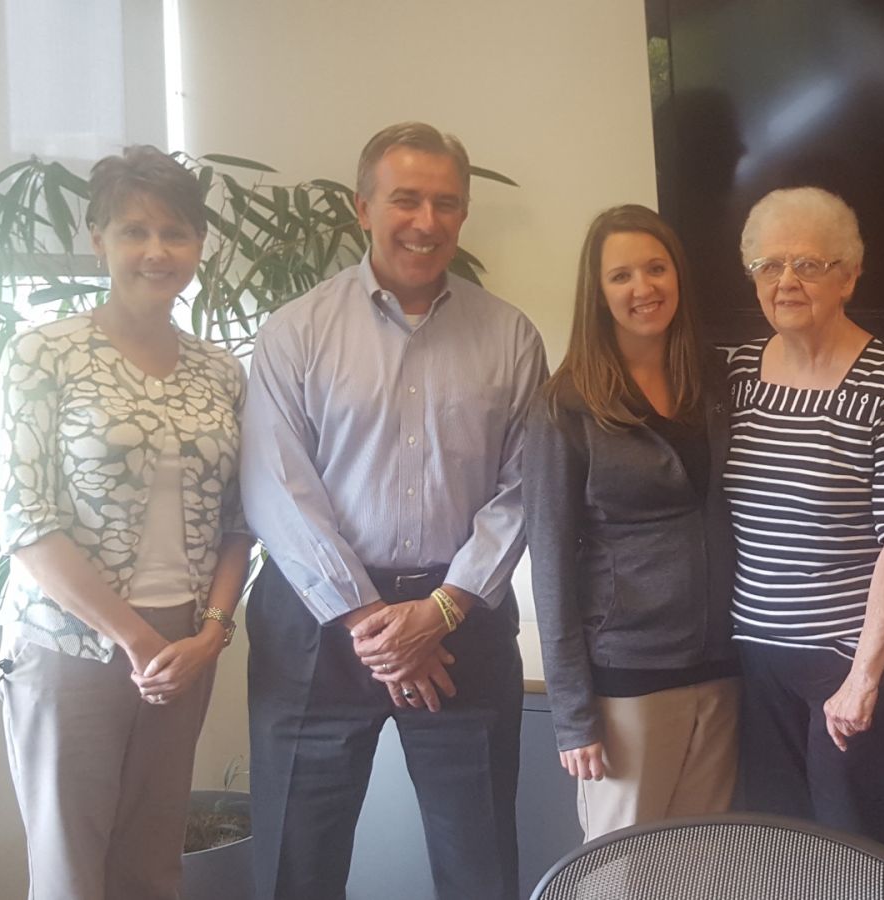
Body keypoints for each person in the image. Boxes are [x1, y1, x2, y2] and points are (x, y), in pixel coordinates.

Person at [239, 122, 547, 900]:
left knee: (477, 860)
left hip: (461, 620)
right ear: (362, 208)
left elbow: (526, 487)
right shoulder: (295, 330)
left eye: (447, 203)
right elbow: (277, 485)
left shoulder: (509, 336)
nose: (427, 220)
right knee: (295, 868)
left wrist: (441, 609)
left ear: (463, 216)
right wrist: (369, 622)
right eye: (406, 198)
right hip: (315, 624)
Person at [0, 145, 251, 899]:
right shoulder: (44, 354)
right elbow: (27, 521)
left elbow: (241, 519)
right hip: (71, 648)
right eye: (134, 231)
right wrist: (138, 640)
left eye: (176, 232)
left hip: (188, 644)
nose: (156, 250)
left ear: (199, 245)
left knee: (153, 866)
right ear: (98, 238)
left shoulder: (220, 371)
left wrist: (210, 632)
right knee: (72, 873)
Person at [725, 186, 884, 864]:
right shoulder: (735, 375)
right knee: (777, 850)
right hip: (759, 661)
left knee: (859, 856)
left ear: (849, 275)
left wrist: (864, 676)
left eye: (810, 265)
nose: (785, 280)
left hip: (853, 671)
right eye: (769, 265)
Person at [524, 204, 740, 841]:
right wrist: (571, 713)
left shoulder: (716, 377)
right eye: (621, 276)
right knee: (624, 876)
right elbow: (551, 556)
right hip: (627, 678)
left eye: (656, 268)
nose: (643, 288)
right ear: (598, 292)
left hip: (723, 666)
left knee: (703, 870)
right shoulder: (565, 405)